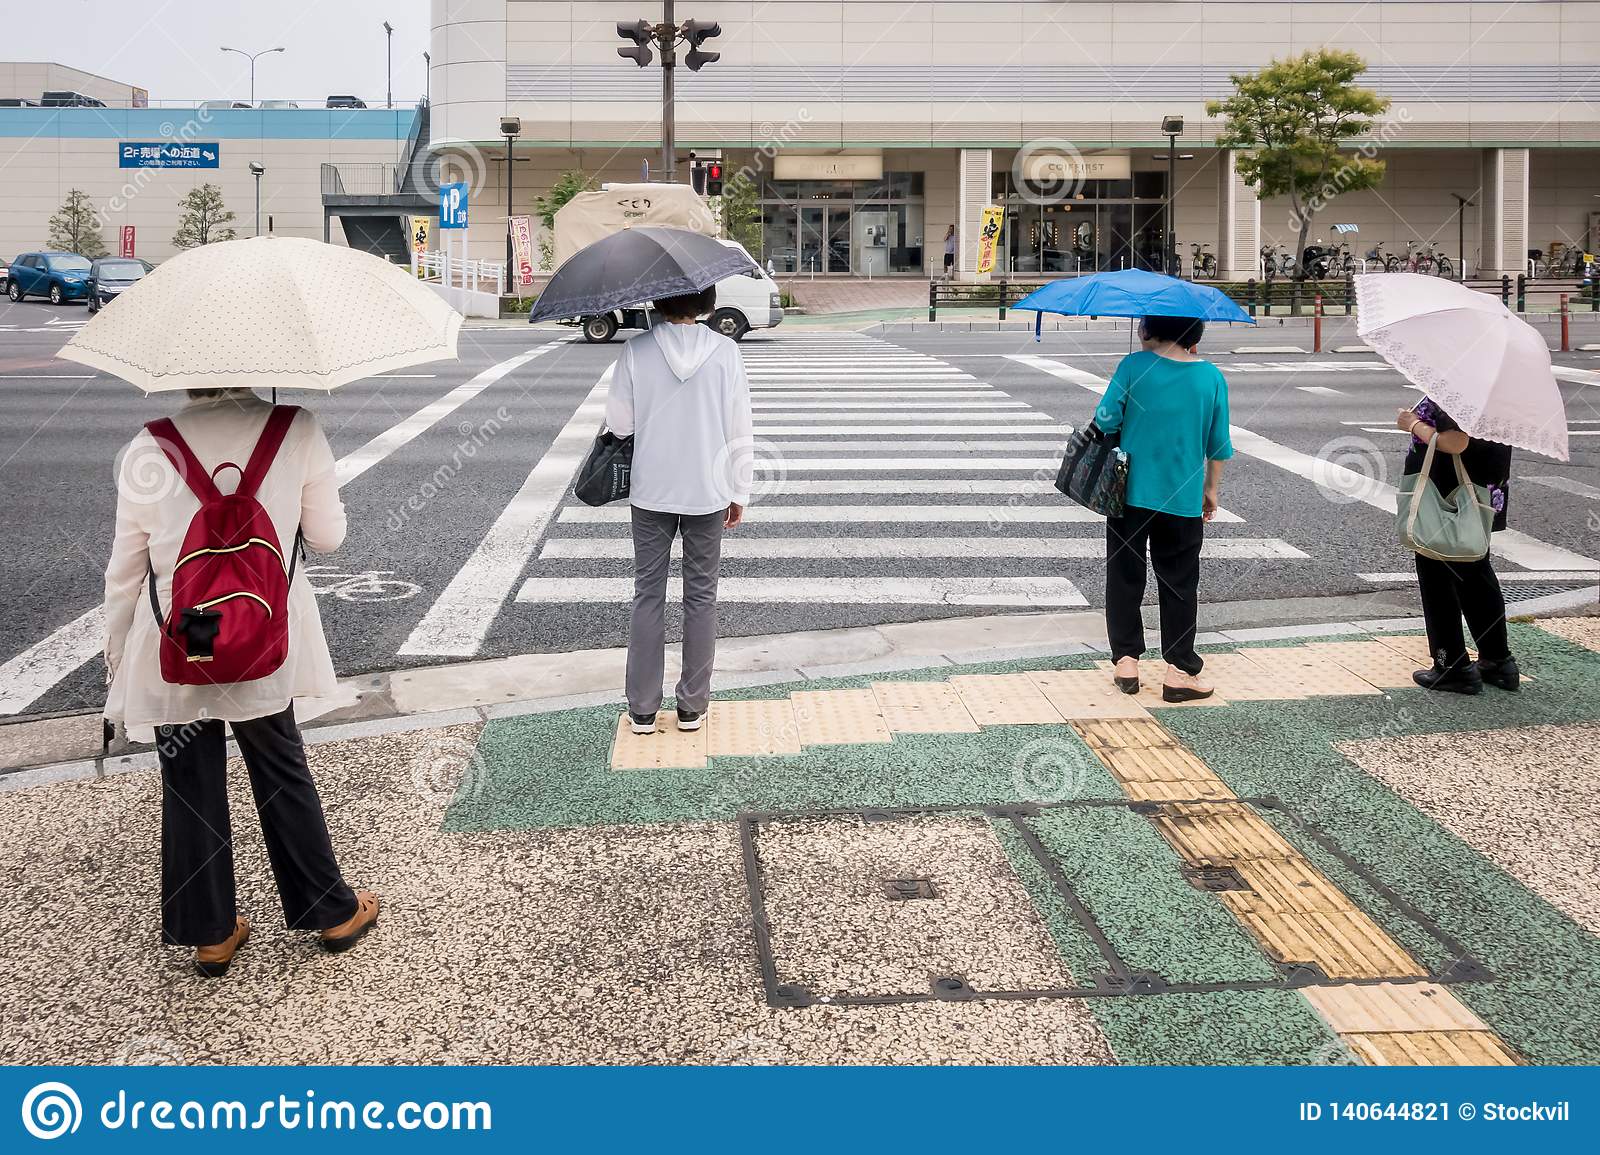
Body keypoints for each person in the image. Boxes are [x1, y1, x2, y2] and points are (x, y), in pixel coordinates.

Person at [104, 389, 378, 977]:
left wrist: (115, 655)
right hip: (261, 626)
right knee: (278, 760)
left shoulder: (149, 446)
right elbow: (328, 537)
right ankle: (330, 909)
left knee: (187, 774)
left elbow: (127, 566)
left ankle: (212, 932)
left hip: (182, 633)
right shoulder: (295, 428)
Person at [605, 287, 753, 735]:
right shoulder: (725, 352)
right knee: (701, 595)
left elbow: (619, 425)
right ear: (707, 304)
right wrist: (738, 489)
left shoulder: (636, 350)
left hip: (652, 490)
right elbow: (738, 423)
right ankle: (692, 705)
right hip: (708, 490)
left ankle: (643, 709)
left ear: (657, 302)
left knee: (648, 593)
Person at [1092, 315, 1233, 702]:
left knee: (1124, 575)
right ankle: (1178, 670)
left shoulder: (1134, 366)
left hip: (1129, 495)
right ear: (1194, 336)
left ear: (1147, 331)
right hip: (1183, 498)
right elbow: (1218, 445)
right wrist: (1211, 491)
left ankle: (1126, 661)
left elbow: (1104, 419)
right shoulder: (1211, 378)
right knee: (1179, 583)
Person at [1396, 399, 1518, 694]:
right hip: (1477, 488)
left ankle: (1451, 665)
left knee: (1437, 574)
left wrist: (1412, 424)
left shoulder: (1458, 382)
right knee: (1475, 571)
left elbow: (1455, 441)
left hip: (1448, 497)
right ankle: (1497, 660)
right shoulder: (1493, 383)